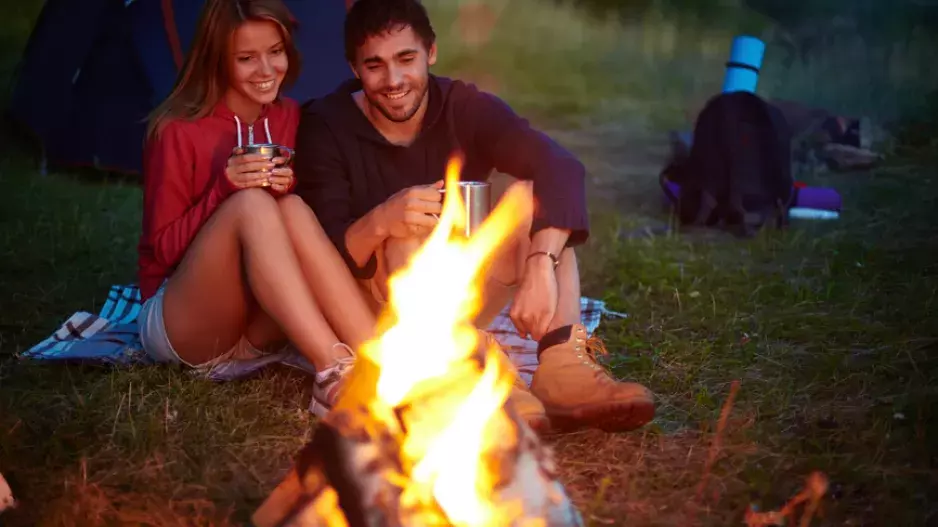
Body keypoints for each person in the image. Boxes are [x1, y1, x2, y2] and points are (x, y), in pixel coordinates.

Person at [292, 0, 655, 433]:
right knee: (409, 236)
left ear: (431, 52)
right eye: (375, 65)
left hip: (464, 297)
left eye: (406, 59)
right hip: (382, 308)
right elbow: (324, 255)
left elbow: (559, 167)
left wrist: (541, 264)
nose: (393, 81)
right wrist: (383, 219)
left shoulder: (462, 106)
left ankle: (563, 368)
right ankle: (476, 375)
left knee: (527, 200)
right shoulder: (326, 124)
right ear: (354, 67)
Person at [136, 0, 377, 417]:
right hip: (186, 326)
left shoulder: (287, 116)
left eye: (275, 52)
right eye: (247, 58)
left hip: (257, 330)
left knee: (294, 207)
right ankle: (333, 372)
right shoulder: (176, 130)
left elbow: (291, 236)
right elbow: (163, 251)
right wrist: (223, 189)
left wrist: (287, 188)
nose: (266, 70)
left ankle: (382, 356)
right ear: (217, 61)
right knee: (249, 204)